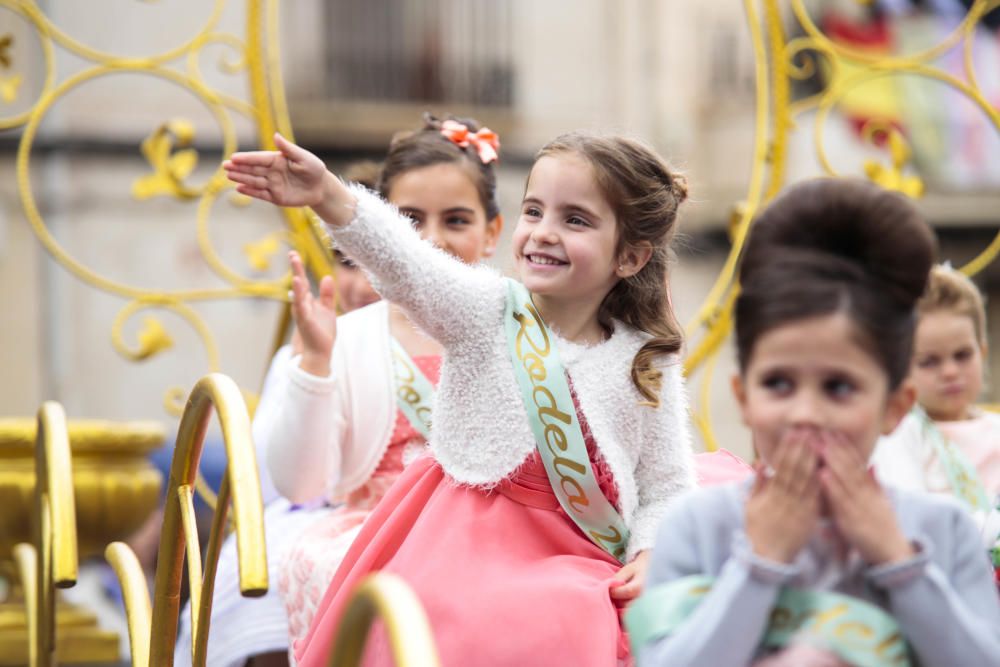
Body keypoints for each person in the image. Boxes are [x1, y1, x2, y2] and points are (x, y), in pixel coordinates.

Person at [225, 129, 697, 666]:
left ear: (631, 257)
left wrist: (650, 550)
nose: (543, 233)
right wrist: (328, 196)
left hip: (581, 552)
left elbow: (667, 483)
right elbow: (405, 262)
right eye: (535, 211)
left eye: (576, 220)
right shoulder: (486, 310)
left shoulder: (646, 358)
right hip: (469, 545)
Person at [629, 178, 1000, 666]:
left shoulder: (942, 531)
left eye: (839, 387)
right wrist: (758, 564)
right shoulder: (698, 527)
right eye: (778, 384)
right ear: (743, 398)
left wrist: (900, 563)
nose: (805, 413)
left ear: (895, 406)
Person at [176, 116, 502, 667]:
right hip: (375, 535)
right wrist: (318, 364)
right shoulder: (349, 340)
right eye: (409, 220)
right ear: (379, 228)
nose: (431, 240)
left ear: (492, 232)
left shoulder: (515, 329)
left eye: (457, 220)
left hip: (488, 536)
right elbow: (300, 484)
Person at [872, 265, 1000, 550]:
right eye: (929, 361)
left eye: (962, 355)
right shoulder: (899, 432)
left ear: (983, 352)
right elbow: (913, 521)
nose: (951, 372)